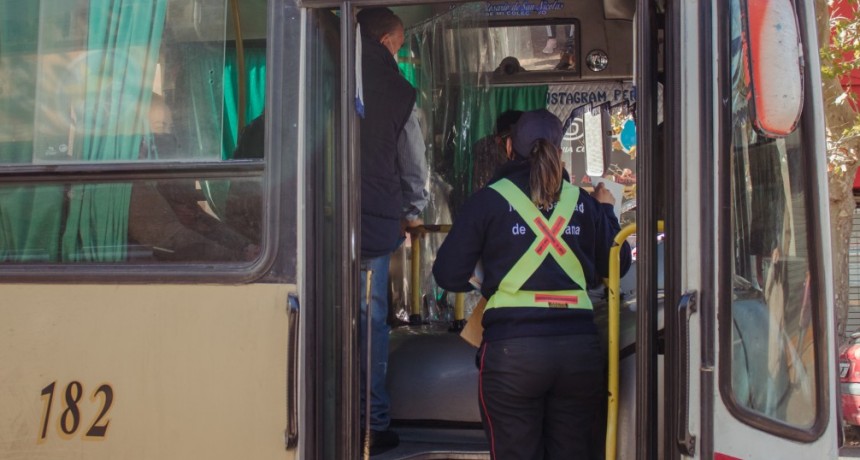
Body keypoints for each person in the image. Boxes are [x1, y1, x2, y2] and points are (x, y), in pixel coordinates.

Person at [432, 109, 631, 459]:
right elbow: (619, 263)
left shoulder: (488, 202)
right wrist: (605, 212)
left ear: (509, 148)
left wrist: (490, 278)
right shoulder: (583, 204)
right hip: (578, 354)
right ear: (560, 152)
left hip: (513, 355)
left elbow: (447, 273)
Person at [356, 7, 429, 456]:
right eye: (400, 46)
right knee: (371, 320)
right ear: (386, 42)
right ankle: (373, 422)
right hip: (373, 223)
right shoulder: (398, 90)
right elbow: (412, 160)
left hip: (318, 224)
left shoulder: (319, 72)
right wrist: (413, 209)